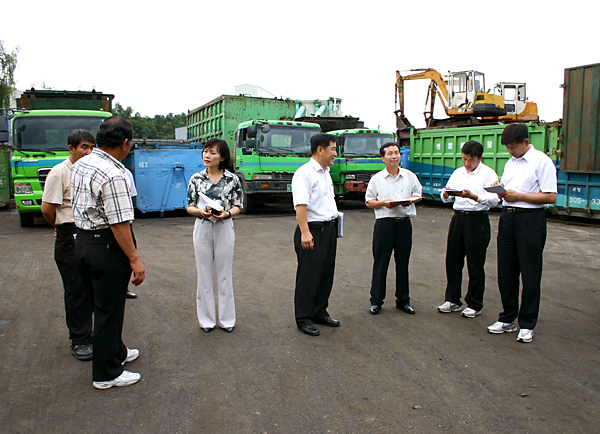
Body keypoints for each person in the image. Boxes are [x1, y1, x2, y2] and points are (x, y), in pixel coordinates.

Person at [71, 116, 145, 389]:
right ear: (126, 143)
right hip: (105, 246)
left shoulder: (83, 162)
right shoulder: (114, 174)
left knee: (103, 305)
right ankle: (106, 374)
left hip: (83, 242)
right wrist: (135, 260)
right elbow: (119, 223)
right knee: (108, 311)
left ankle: (117, 352)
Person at [487, 123, 557, 343]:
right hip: (508, 218)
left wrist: (519, 196)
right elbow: (509, 191)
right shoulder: (510, 163)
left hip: (530, 220)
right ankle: (507, 318)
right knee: (506, 270)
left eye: (514, 146)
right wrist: (501, 191)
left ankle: (526, 323)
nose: (511, 151)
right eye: (508, 147)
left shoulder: (542, 162)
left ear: (526, 142)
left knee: (529, 272)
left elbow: (550, 197)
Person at [41, 129, 95, 361]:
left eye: (92, 147)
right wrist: (60, 227)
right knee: (76, 290)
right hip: (69, 234)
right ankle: (80, 339)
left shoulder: (90, 172)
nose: (89, 152)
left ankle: (91, 334)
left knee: (91, 288)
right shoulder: (59, 172)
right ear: (71, 148)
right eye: (84, 147)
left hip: (89, 234)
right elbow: (47, 209)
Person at [438, 140, 500, 318]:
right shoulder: (458, 173)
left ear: (480, 158)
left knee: (475, 264)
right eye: (464, 159)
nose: (466, 163)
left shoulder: (488, 174)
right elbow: (447, 195)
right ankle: (452, 300)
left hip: (477, 219)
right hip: (458, 219)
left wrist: (475, 197)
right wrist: (446, 194)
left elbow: (496, 200)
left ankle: (474, 303)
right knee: (453, 261)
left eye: (471, 160)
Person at [186, 138, 242, 334]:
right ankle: (206, 320)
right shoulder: (196, 179)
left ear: (223, 157)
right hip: (202, 226)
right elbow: (189, 206)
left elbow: (238, 205)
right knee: (204, 273)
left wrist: (225, 214)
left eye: (212, 152)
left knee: (225, 274)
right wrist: (201, 212)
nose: (207, 156)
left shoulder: (232, 179)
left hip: (224, 226)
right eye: (205, 151)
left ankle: (227, 320)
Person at [291, 133, 341, 336]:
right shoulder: (305, 173)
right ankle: (303, 318)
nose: (335, 154)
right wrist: (305, 233)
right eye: (333, 149)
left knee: (325, 275)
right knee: (309, 277)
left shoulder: (325, 172)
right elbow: (300, 205)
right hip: (312, 231)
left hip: (328, 229)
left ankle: (319, 311)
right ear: (320, 149)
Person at [365, 142, 422, 316]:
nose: (394, 156)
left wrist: (410, 200)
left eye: (396, 153)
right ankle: (376, 301)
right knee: (381, 264)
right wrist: (384, 203)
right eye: (390, 153)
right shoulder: (377, 179)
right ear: (383, 158)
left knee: (403, 263)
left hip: (404, 223)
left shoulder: (409, 176)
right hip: (385, 224)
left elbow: (418, 194)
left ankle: (403, 301)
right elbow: (369, 201)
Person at [123, 167, 138, 300]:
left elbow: (131, 196)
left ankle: (123, 288)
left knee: (128, 255)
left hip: (126, 223)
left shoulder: (126, 172)